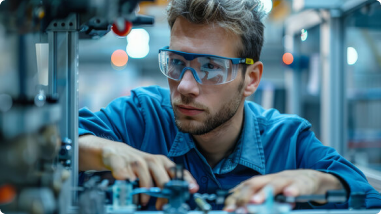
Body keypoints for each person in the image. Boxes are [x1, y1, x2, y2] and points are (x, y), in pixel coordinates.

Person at [78, 0, 381, 211]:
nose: (184, 86)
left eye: (210, 66)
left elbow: (367, 196)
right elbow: (56, 145)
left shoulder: (287, 141)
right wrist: (102, 151)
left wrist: (313, 179)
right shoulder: (142, 118)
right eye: (176, 62)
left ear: (251, 79)